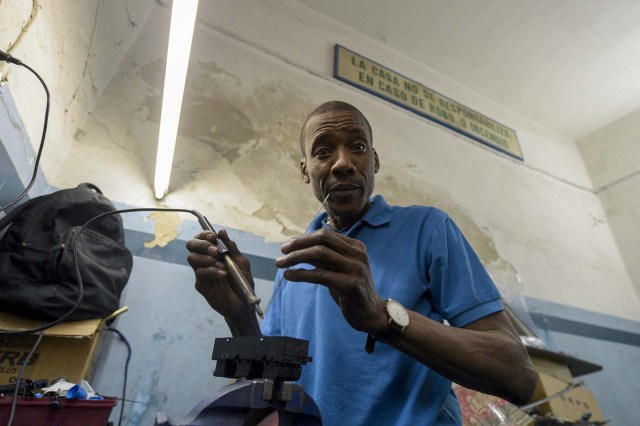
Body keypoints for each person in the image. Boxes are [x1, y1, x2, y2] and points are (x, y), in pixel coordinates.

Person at [186, 101, 537, 425]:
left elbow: (519, 375)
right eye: (323, 151)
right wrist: (239, 314)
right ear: (306, 171)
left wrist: (383, 318)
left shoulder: (428, 229)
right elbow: (270, 384)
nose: (342, 163)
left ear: (375, 161)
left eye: (358, 147)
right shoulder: (295, 265)